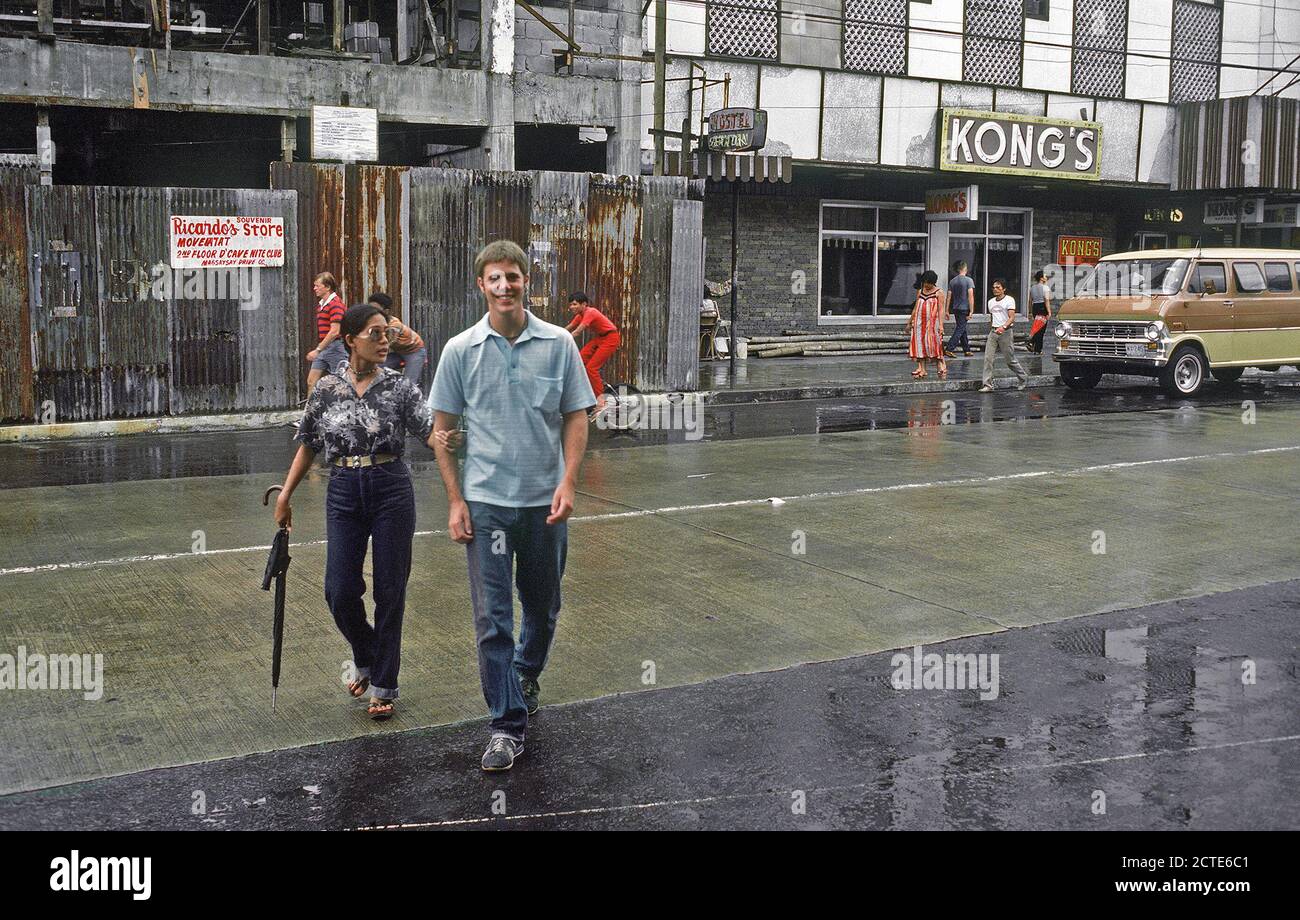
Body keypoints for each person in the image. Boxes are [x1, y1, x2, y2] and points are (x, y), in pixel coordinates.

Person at [429, 240, 596, 772]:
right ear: (481, 285)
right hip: (487, 506)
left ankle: (525, 670)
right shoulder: (459, 350)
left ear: (527, 281)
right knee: (492, 618)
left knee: (543, 609)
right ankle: (506, 725)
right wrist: (456, 500)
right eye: (495, 278)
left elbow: (576, 416)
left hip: (545, 504)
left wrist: (569, 482)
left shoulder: (558, 344)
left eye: (514, 277)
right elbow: (442, 430)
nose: (505, 286)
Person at [274, 304, 437, 721]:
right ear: (351, 340)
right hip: (344, 489)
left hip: (391, 489)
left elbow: (431, 431)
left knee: (390, 590)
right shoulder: (327, 388)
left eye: (387, 334)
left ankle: (383, 684)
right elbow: (308, 442)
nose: (385, 341)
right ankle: (366, 658)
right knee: (339, 590)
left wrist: (461, 446)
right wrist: (285, 495)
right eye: (375, 334)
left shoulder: (400, 387)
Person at [564, 291, 621, 414]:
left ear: (584, 304)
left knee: (591, 368)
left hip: (610, 338)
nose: (571, 307)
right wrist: (554, 336)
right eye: (570, 305)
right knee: (578, 361)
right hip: (600, 338)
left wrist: (562, 343)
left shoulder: (590, 312)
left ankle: (602, 403)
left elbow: (577, 331)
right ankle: (588, 393)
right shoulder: (580, 315)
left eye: (574, 304)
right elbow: (567, 328)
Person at [368, 292, 429, 393]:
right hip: (399, 352)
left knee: (408, 385)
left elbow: (387, 343)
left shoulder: (394, 325)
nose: (371, 312)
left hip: (415, 352)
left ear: (386, 311)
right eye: (370, 308)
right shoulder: (373, 322)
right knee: (376, 367)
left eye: (375, 310)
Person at [979, 279, 1028, 393]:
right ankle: (987, 384)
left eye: (998, 287)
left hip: (1005, 332)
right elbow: (992, 317)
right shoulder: (991, 302)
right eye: (994, 287)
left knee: (1009, 359)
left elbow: (1011, 317)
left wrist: (1003, 327)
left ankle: (1023, 378)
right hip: (994, 331)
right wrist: (993, 328)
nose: (995, 289)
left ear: (1004, 289)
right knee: (988, 358)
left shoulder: (1009, 300)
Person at [306, 273, 346, 394]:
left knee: (342, 383)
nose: (314, 288)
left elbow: (335, 331)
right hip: (324, 347)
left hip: (336, 347)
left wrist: (317, 350)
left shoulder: (335, 304)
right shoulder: (321, 306)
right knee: (311, 381)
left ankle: (345, 409)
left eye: (317, 286)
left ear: (327, 287)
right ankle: (311, 411)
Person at [907, 270, 947, 379]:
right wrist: (910, 321)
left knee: (933, 344)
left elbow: (941, 310)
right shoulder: (920, 291)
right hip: (919, 323)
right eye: (925, 282)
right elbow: (916, 307)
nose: (926, 285)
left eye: (929, 283)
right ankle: (922, 369)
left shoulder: (939, 293)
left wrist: (941, 325)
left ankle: (940, 365)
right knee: (919, 345)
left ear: (933, 282)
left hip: (932, 324)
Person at [944, 261, 975, 357]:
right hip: (964, 308)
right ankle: (949, 348)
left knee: (962, 328)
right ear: (965, 269)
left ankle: (967, 349)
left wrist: (947, 310)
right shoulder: (969, 280)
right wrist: (971, 310)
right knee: (960, 328)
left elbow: (949, 296)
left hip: (956, 308)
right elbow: (970, 296)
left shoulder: (952, 281)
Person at [1026, 270, 1052, 354]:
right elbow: (1046, 299)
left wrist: (1030, 311)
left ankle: (1034, 346)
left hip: (1035, 307)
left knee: (1037, 328)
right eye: (1045, 276)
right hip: (1042, 307)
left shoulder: (1032, 287)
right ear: (1041, 278)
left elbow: (1030, 301)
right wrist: (1049, 311)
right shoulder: (1045, 287)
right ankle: (1036, 347)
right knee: (1041, 330)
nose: (1046, 277)